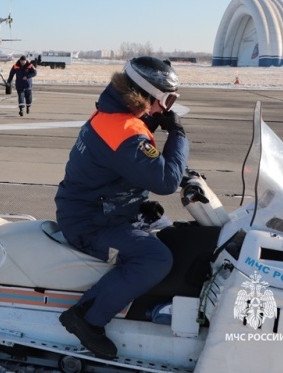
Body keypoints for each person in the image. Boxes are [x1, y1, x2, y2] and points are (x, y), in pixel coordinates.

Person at [54, 56, 189, 360]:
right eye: (165, 99)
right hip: (90, 223)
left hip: (102, 209)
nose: (165, 108)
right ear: (144, 95)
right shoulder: (126, 131)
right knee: (155, 258)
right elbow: (166, 181)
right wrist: (178, 135)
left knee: (173, 233)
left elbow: (125, 165)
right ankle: (87, 317)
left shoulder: (113, 116)